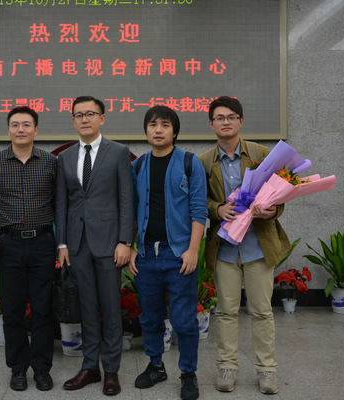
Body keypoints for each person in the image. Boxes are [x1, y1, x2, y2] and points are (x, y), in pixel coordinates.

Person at [199, 96, 290, 395]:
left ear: (241, 121)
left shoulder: (263, 155)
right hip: (225, 248)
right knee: (226, 311)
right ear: (211, 124)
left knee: (262, 311)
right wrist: (217, 209)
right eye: (219, 118)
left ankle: (267, 370)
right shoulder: (203, 162)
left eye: (231, 117)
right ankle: (227, 366)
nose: (225, 122)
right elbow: (199, 201)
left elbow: (281, 197)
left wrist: (271, 211)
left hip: (257, 246)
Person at [56, 96, 134, 396]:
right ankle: (90, 367)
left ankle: (111, 370)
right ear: (73, 120)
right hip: (77, 244)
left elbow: (127, 199)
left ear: (102, 118)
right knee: (86, 307)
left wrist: (125, 241)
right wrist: (63, 243)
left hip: (110, 243)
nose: (84, 119)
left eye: (90, 114)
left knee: (111, 308)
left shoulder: (118, 152)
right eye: (79, 115)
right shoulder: (65, 157)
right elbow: (62, 203)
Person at [0, 106, 57, 392]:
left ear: (36, 130)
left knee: (43, 309)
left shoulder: (51, 163)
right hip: (8, 244)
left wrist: (62, 244)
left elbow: (61, 205)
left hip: (43, 243)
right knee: (12, 310)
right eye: (15, 124)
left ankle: (42, 369)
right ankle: (18, 368)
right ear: (8, 129)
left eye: (26, 124)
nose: (20, 129)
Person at [129, 106, 207, 400]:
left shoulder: (189, 162)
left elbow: (199, 209)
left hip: (179, 255)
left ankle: (188, 373)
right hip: (146, 255)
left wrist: (193, 250)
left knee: (184, 320)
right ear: (146, 131)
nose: (158, 129)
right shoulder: (138, 166)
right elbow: (133, 210)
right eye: (152, 124)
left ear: (174, 131)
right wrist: (132, 246)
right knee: (150, 317)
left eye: (164, 124)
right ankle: (156, 366)